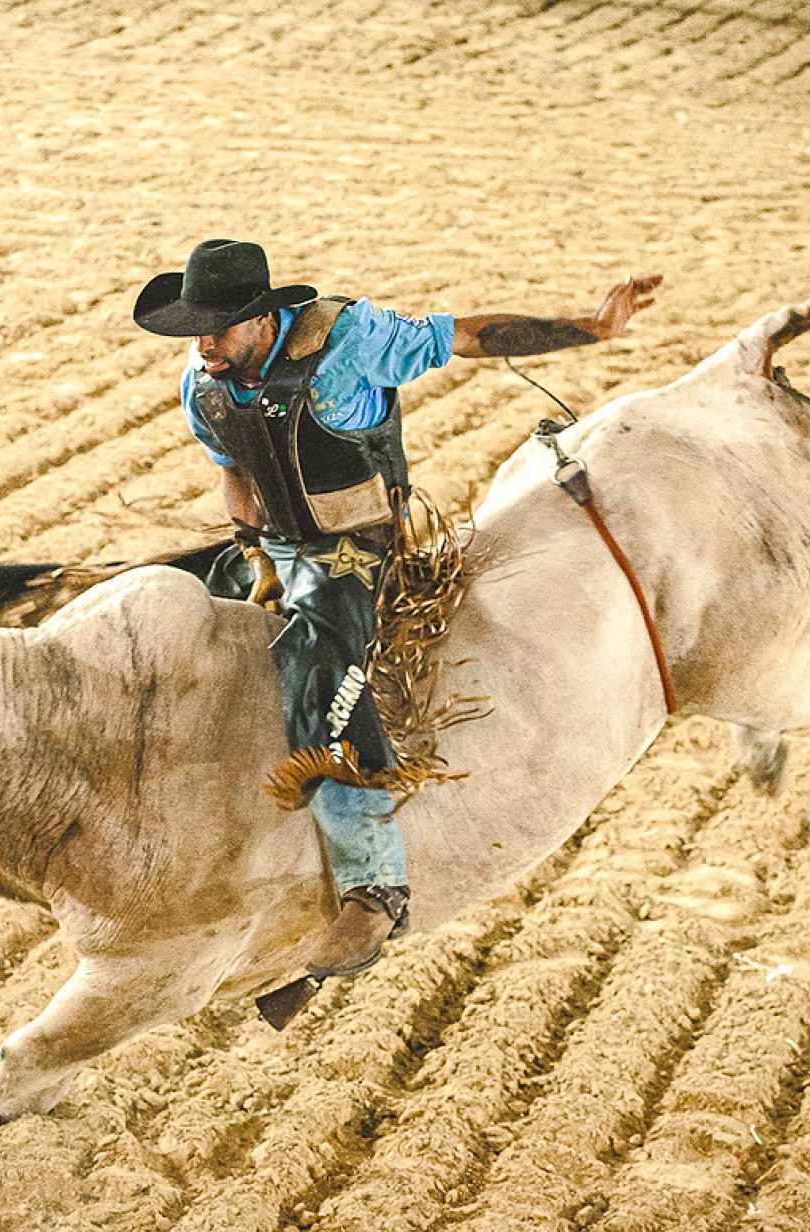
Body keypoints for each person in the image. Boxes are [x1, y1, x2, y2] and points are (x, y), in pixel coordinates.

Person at [133, 238, 661, 977]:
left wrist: (591, 327)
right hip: (275, 546)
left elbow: (467, 336)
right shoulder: (208, 384)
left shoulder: (350, 342)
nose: (203, 342)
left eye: (217, 327)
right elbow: (236, 475)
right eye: (197, 328)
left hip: (357, 548)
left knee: (318, 661)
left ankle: (372, 884)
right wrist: (254, 558)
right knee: (154, 609)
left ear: (260, 321)